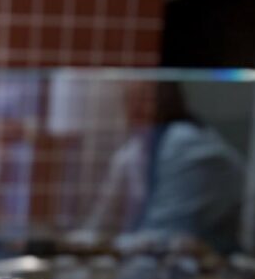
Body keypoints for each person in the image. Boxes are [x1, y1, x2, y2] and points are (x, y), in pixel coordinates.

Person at [84, 81, 245, 254]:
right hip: (146, 254)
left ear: (167, 100)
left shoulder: (187, 143)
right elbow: (99, 223)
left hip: (212, 260)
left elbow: (168, 234)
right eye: (129, 100)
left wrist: (104, 246)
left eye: (145, 100)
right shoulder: (134, 150)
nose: (134, 109)